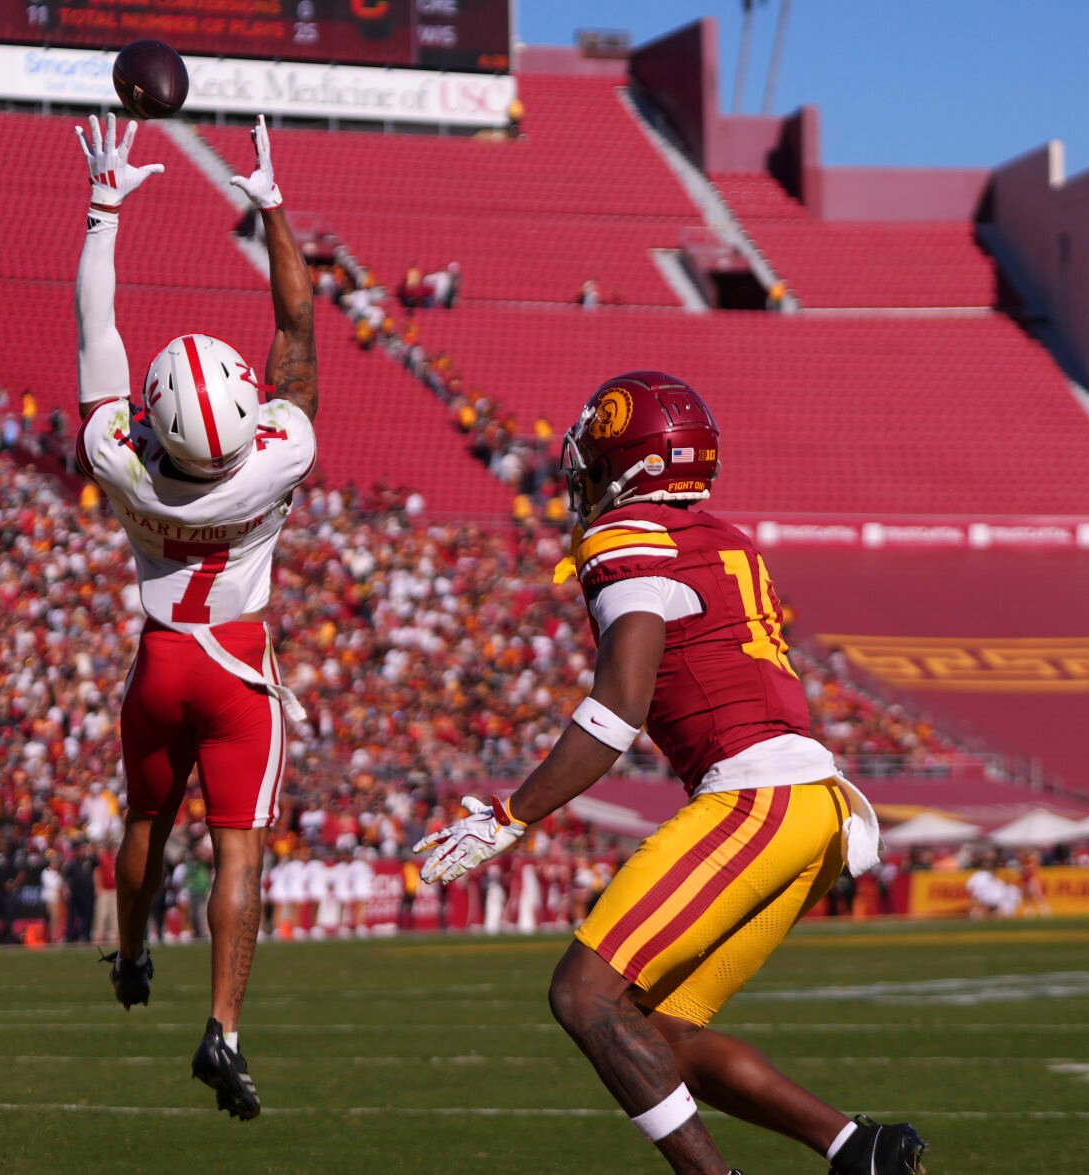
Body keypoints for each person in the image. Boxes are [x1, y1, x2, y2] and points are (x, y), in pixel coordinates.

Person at [415, 372, 925, 1175]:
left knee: (582, 994)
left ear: (626, 464)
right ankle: (857, 1148)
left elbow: (615, 712)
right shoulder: (721, 538)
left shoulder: (626, 538)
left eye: (593, 460)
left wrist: (508, 815)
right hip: (813, 807)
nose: (580, 480)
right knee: (655, 1037)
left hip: (755, 796)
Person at [72, 112, 317, 1121]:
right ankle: (221, 1022)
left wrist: (104, 208)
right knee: (238, 852)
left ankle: (129, 952)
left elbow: (98, 329)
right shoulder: (278, 454)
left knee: (145, 821)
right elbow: (297, 333)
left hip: (160, 657)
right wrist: (269, 205)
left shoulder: (119, 460)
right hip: (236, 665)